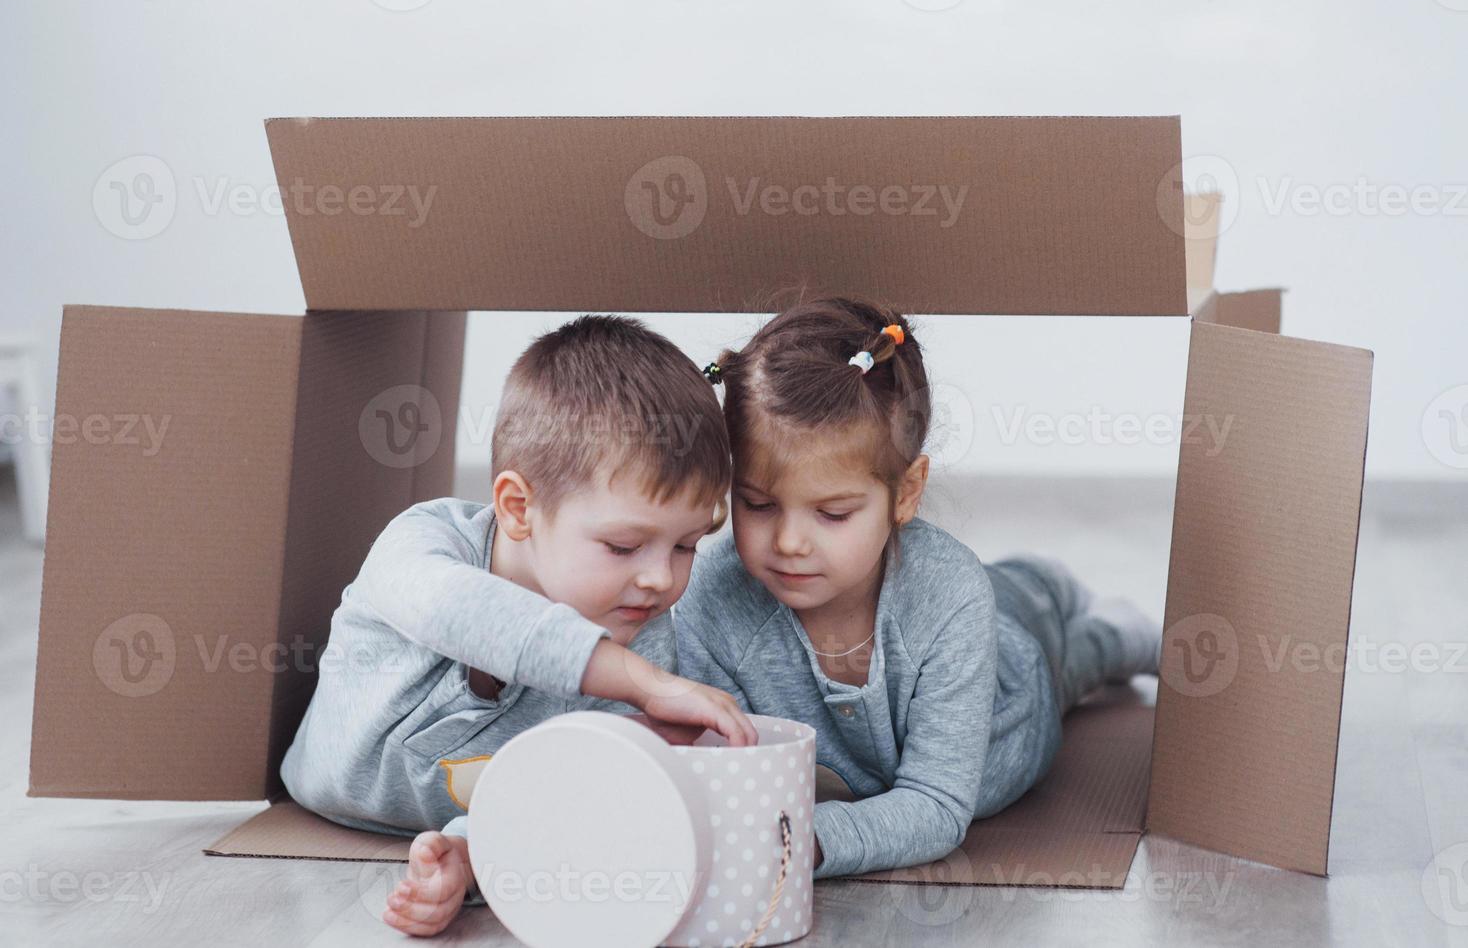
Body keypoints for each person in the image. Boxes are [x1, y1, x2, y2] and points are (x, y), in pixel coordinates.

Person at [278, 315, 758, 936]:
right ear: (517, 507)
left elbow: (578, 791)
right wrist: (636, 681)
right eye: (622, 546)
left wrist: (476, 853)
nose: (661, 580)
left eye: (687, 547)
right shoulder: (427, 541)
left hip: (479, 828)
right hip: (326, 799)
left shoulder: (645, 634)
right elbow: (455, 610)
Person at [675, 295, 1161, 880]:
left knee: (1058, 655)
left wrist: (805, 843)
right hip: (955, 624)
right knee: (1007, 601)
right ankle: (1046, 594)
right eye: (757, 504)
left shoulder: (948, 593)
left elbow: (935, 806)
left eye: (832, 514)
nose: (789, 542)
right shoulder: (715, 594)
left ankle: (1100, 624)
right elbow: (716, 766)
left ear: (905, 494)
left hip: (1011, 707)